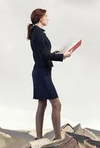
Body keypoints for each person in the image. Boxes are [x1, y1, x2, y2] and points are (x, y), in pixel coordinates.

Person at [27, 8, 73, 140]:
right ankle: (58, 139)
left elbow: (43, 53)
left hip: (42, 71)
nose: (48, 18)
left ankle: (39, 137)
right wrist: (63, 56)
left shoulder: (37, 32)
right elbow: (43, 56)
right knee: (56, 104)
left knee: (42, 103)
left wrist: (55, 53)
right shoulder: (38, 33)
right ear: (40, 17)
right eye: (46, 16)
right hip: (42, 73)